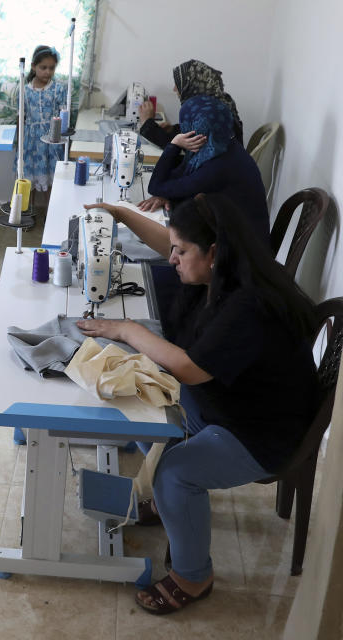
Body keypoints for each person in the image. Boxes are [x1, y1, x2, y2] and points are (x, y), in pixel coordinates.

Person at [77, 193, 318, 615]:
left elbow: (188, 369)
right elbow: (169, 243)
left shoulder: (247, 304)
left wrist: (127, 330)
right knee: (147, 397)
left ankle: (193, 575)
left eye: (181, 251)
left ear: (214, 252)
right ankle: (165, 503)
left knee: (175, 471)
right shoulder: (225, 273)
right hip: (236, 403)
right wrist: (121, 215)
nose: (172, 258)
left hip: (262, 434)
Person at [144, 95, 269, 239]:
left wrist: (174, 144)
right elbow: (173, 179)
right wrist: (168, 193)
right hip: (240, 237)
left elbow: (155, 186)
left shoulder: (218, 166)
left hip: (243, 252)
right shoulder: (226, 145)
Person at [137, 59, 243, 213]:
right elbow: (190, 139)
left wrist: (147, 123)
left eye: (178, 84)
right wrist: (175, 130)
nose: (175, 89)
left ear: (191, 85)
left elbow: (189, 145)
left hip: (212, 204)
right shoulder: (219, 108)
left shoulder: (211, 129)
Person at [19, 45, 68, 211]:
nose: (48, 72)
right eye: (43, 67)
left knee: (51, 179)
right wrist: (19, 141)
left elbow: (64, 115)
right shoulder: (25, 90)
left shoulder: (59, 89)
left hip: (51, 140)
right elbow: (22, 116)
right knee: (28, 180)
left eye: (52, 68)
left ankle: (51, 213)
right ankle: (27, 213)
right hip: (30, 141)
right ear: (34, 66)